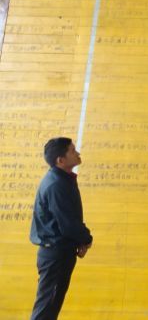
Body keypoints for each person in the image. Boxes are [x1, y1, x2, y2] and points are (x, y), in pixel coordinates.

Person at [29, 137, 93, 320]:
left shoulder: (61, 179)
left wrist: (80, 240)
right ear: (61, 160)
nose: (78, 153)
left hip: (59, 253)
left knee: (49, 308)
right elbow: (68, 224)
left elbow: (68, 219)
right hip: (56, 256)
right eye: (72, 151)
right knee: (45, 311)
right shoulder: (57, 185)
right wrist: (86, 239)